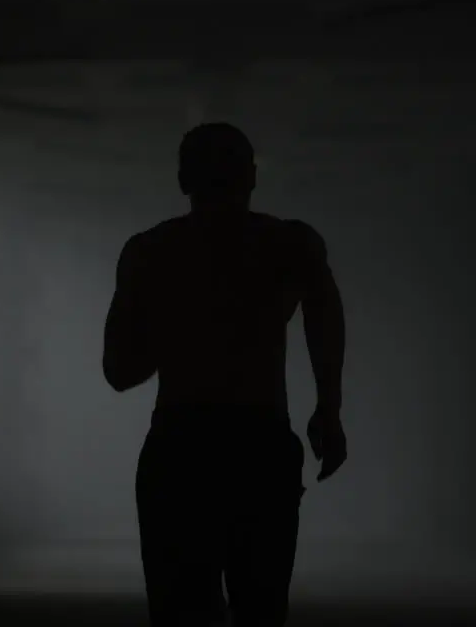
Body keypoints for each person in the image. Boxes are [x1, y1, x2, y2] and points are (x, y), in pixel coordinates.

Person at [103, 122, 348, 626]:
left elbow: (119, 371)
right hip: (259, 446)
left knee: (180, 614)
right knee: (260, 613)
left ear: (182, 180)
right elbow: (325, 325)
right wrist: (329, 409)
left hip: (180, 448)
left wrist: (182, 325)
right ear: (253, 178)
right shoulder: (289, 245)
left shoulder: (150, 252)